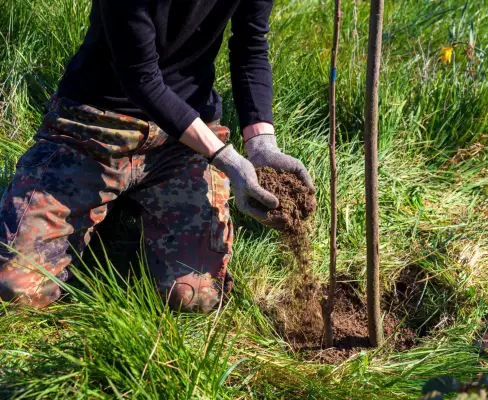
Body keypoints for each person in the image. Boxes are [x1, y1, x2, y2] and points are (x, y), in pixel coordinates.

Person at [0, 0, 314, 312]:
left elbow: (250, 45)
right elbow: (142, 79)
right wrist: (227, 158)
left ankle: (120, 206)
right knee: (17, 287)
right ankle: (101, 204)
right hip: (94, 129)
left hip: (184, 143)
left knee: (195, 296)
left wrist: (261, 145)